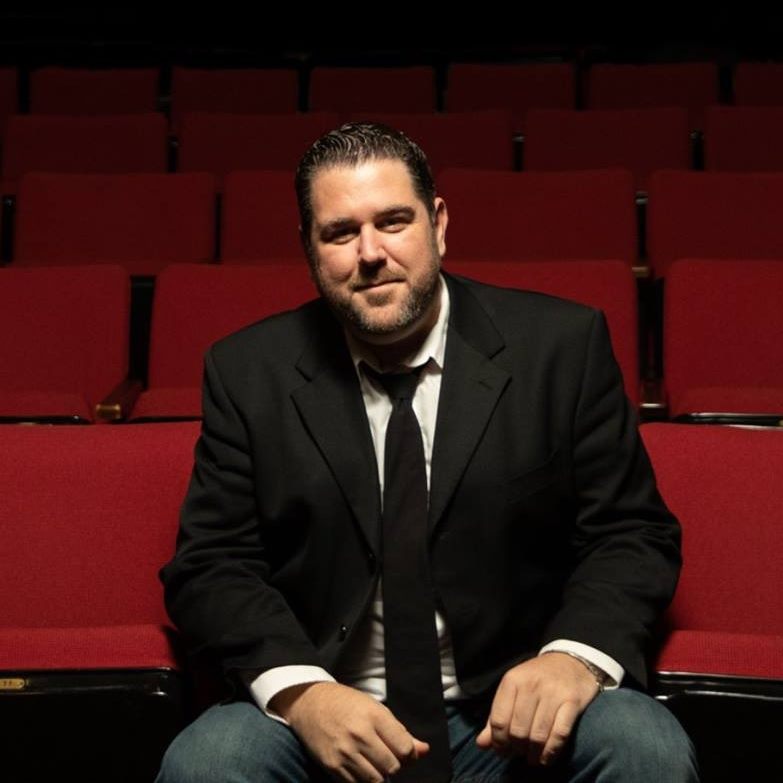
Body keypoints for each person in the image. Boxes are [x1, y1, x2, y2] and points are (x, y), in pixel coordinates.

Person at [156, 122, 698, 782]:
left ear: (437, 223)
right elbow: (211, 564)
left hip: (507, 712)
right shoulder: (248, 372)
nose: (370, 253)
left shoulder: (560, 347)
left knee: (644, 745)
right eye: (340, 233)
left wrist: (571, 658)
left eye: (393, 221)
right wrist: (302, 693)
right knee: (208, 761)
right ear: (308, 247)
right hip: (326, 708)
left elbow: (630, 533)